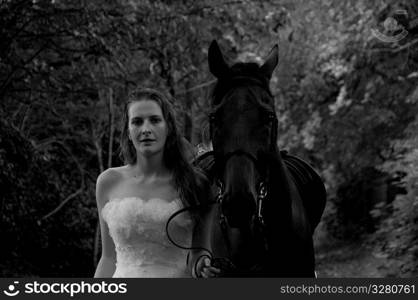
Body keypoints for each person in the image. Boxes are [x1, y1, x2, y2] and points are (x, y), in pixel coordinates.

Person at [93, 87, 220, 278]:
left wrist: (202, 266)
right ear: (128, 131)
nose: (146, 129)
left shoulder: (197, 184)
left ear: (168, 127)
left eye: (154, 120)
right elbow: (109, 258)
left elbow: (200, 252)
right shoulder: (108, 182)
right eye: (137, 122)